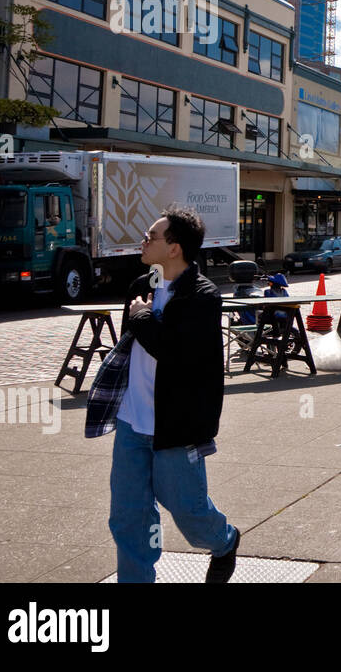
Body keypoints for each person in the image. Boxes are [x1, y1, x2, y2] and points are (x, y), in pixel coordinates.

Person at [85, 207, 239, 583]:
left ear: (174, 248)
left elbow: (172, 351)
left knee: (188, 512)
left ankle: (224, 541)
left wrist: (140, 318)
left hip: (175, 425)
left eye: (152, 236)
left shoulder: (203, 297)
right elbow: (133, 347)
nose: (144, 240)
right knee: (128, 515)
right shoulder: (141, 285)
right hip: (131, 422)